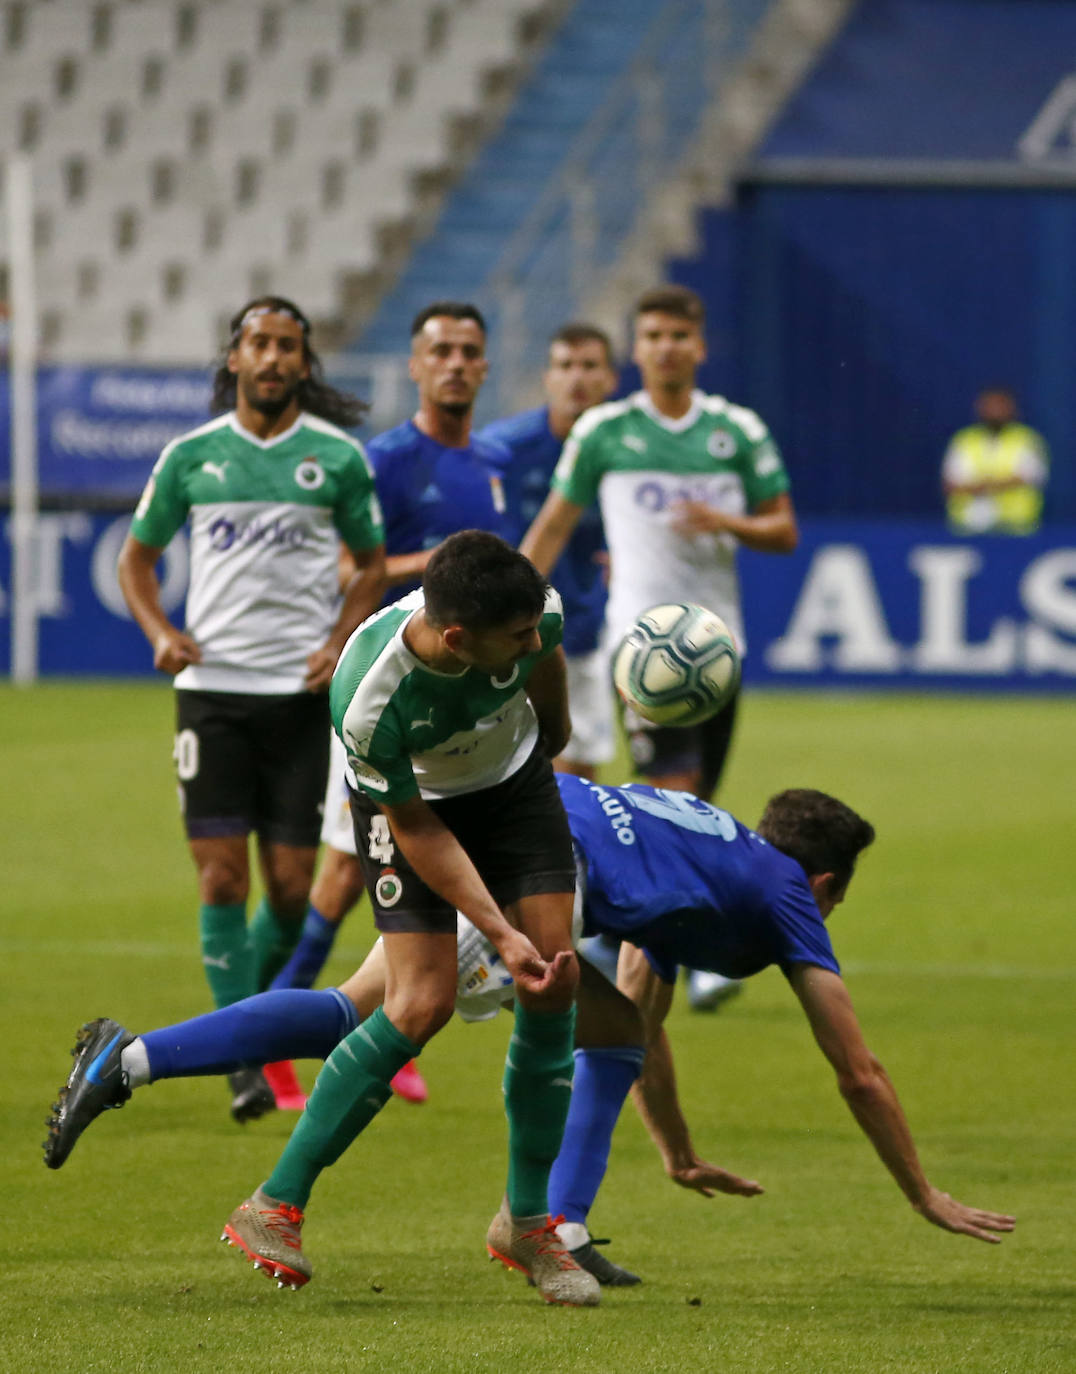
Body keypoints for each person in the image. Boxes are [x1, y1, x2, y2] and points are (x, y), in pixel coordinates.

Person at [46, 777, 1014, 1289]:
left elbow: (637, 1024)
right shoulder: (782, 898)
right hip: (529, 863)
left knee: (409, 1009)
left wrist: (676, 1154)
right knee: (398, 1013)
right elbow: (857, 1070)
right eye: (836, 902)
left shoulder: (709, 858)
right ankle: (283, 1194)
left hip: (507, 814)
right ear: (826, 884)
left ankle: (128, 1059)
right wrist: (921, 1193)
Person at [116, 296, 387, 1124]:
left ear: (305, 362)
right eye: (259, 343)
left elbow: (372, 566)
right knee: (222, 876)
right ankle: (242, 1062)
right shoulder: (192, 456)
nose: (272, 357)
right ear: (234, 357)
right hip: (213, 693)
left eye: (288, 346)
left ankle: (244, 1025)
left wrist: (339, 641)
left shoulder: (336, 458)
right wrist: (160, 631)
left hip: (300, 697)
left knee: (293, 888)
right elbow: (137, 560)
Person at [263, 301, 515, 1109]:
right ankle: (274, 1046)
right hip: (386, 695)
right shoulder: (387, 461)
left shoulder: (490, 464)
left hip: (459, 708)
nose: (455, 363)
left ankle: (394, 1026)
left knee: (421, 873)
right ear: (415, 365)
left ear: (484, 365)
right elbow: (347, 568)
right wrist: (440, 567)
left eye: (468, 351)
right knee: (343, 878)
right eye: (440, 351)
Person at [522, 283, 799, 1010]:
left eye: (678, 335)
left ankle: (614, 930)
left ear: (699, 346)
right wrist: (511, 608)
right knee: (674, 796)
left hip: (717, 649)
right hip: (643, 647)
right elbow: (552, 526)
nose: (666, 347)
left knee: (694, 804)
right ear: (636, 350)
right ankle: (694, 956)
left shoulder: (736, 431)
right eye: (652, 336)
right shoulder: (605, 432)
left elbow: (783, 530)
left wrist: (726, 522)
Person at [479, 323, 620, 780]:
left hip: (584, 635)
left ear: (611, 379)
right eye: (565, 365)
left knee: (576, 783)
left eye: (589, 366)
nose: (576, 377)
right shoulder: (503, 448)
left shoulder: (623, 451)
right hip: (508, 636)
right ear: (547, 377)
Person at [942, 386, 1049, 535]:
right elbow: (951, 482)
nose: (995, 412)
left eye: (1000, 406)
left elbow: (1031, 476)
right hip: (967, 527)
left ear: (1011, 409)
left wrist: (985, 486)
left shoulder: (1026, 439)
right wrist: (985, 486)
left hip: (1016, 527)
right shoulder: (964, 439)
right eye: (990, 406)